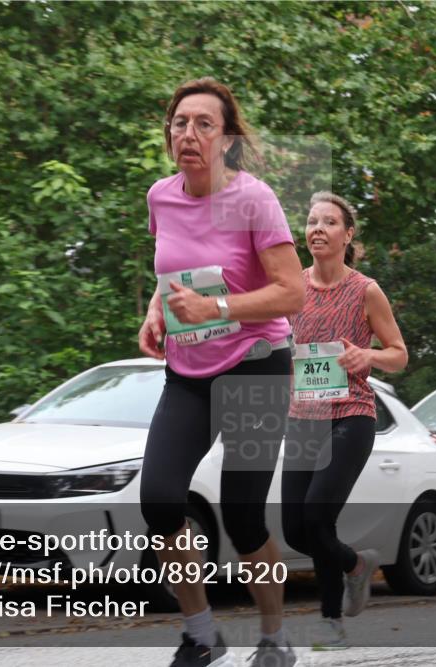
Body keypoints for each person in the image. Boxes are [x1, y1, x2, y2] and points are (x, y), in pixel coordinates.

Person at [137, 77, 305, 667]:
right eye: (180, 123)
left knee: (242, 514)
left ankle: (274, 635)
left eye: (204, 124)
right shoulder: (162, 196)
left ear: (227, 139)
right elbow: (171, 274)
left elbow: (293, 293)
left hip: (257, 366)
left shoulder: (254, 200)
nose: (188, 134)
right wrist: (156, 313)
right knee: (158, 501)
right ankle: (201, 634)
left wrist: (219, 309)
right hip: (189, 369)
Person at [281, 191, 408, 650]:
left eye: (329, 222)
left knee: (317, 515)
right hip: (303, 417)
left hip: (351, 416)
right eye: (312, 221)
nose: (317, 228)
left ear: (347, 234)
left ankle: (330, 621)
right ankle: (356, 565)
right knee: (297, 529)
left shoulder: (365, 290)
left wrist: (366, 354)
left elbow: (399, 354)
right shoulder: (291, 288)